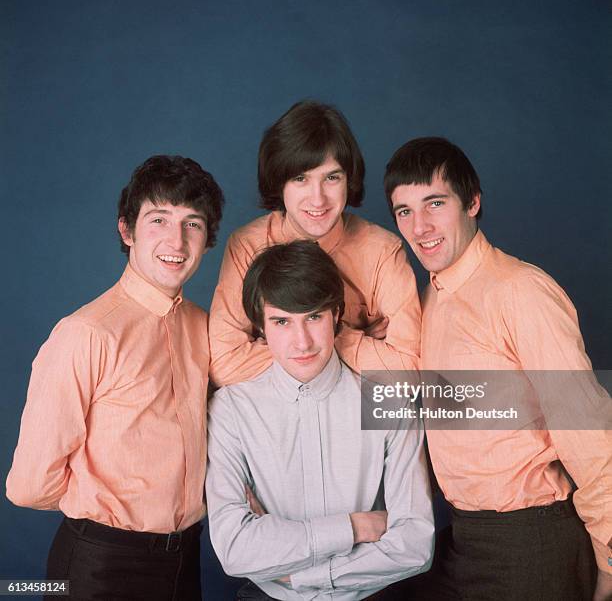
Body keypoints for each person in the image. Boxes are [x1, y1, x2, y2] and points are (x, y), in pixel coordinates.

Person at [384, 136, 612, 600]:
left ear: (472, 202)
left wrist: (609, 552)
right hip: (463, 536)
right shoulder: (429, 296)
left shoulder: (520, 290)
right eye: (404, 211)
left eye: (434, 202)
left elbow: (586, 425)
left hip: (532, 538)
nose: (420, 225)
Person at [6, 155, 224, 601]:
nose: (176, 240)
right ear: (127, 230)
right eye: (158, 219)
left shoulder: (205, 327)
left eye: (193, 224)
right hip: (100, 566)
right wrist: (100, 504)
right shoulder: (86, 332)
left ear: (208, 239)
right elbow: (28, 485)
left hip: (185, 560)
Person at [206, 240, 434, 600]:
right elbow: (235, 550)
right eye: (282, 321)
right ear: (261, 327)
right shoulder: (232, 411)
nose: (302, 342)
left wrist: (303, 576)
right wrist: (355, 527)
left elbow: (415, 544)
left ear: (336, 316)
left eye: (314, 316)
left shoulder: (387, 400)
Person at [209, 100, 421, 386]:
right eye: (300, 179)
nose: (318, 199)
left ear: (349, 180)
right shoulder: (247, 245)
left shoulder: (382, 250)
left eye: (332, 178)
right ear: (279, 182)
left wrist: (323, 337)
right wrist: (345, 341)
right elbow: (225, 364)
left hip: (354, 417)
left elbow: (408, 371)